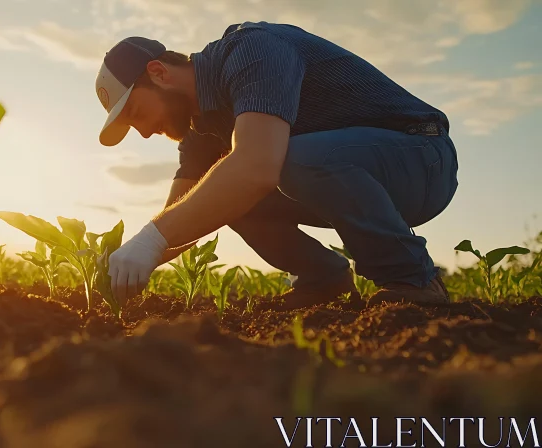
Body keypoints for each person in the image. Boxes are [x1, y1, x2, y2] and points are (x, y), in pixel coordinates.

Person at [94, 21, 458, 309]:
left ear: (159, 73)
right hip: (355, 172)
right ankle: (324, 278)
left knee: (272, 162)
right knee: (219, 193)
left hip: (421, 157)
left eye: (136, 113)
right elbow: (179, 215)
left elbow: (256, 166)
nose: (142, 133)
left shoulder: (252, 50)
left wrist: (150, 240)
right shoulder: (199, 129)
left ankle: (412, 278)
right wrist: (117, 268)